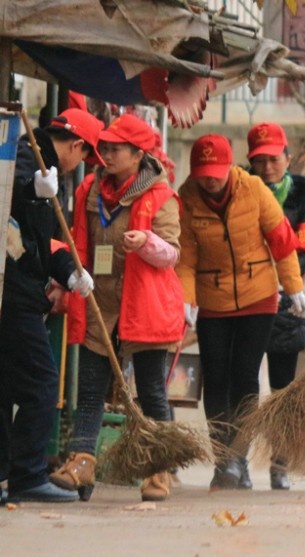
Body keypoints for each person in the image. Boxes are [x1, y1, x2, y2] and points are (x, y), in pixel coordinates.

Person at [48, 114, 185, 502]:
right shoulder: (89, 190)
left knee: (152, 393)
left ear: (138, 154)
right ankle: (82, 464)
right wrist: (63, 283)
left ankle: (158, 469)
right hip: (98, 303)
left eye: (115, 149)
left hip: (145, 308)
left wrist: (145, 241)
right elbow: (77, 241)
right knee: (90, 391)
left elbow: (171, 254)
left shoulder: (161, 196)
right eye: (103, 147)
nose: (105, 154)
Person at [176, 134, 305, 490]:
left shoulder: (252, 189)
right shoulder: (186, 198)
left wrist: (293, 287)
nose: (211, 180)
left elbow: (281, 239)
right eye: (203, 173)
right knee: (216, 376)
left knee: (245, 375)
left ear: (230, 167)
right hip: (213, 297)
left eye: (216, 172)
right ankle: (224, 459)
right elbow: (185, 257)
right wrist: (186, 301)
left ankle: (240, 458)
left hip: (257, 295)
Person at [0, 108, 101, 503]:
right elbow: (9, 199)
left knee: (6, 386)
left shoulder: (49, 174)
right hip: (14, 293)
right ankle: (27, 475)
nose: (81, 165)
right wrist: (31, 191)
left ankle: (7, 472)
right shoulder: (30, 157)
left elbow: (40, 244)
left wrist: (70, 272)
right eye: (85, 155)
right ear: (77, 145)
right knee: (42, 384)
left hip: (25, 288)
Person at [245, 122, 305, 490]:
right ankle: (235, 461)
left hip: (286, 302)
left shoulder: (302, 192)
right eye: (259, 161)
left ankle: (280, 461)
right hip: (243, 298)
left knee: (283, 389)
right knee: (243, 385)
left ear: (287, 158)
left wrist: (287, 284)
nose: (268, 167)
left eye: (274, 159)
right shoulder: (240, 187)